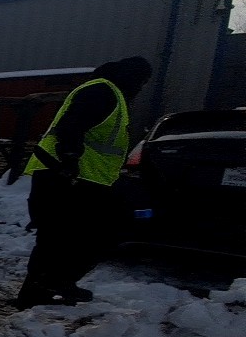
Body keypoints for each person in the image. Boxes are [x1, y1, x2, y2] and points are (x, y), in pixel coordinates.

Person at [14, 56, 153, 309]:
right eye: (142, 81)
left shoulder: (111, 93)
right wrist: (69, 158)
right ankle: (43, 287)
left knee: (67, 236)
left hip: (81, 177)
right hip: (68, 176)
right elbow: (71, 125)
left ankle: (49, 284)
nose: (142, 87)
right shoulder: (102, 91)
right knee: (71, 236)